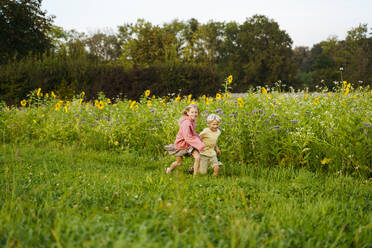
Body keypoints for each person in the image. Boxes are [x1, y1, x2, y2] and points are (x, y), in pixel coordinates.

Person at [164, 104, 205, 176]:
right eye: (192, 112)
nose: (194, 114)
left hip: (188, 144)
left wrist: (199, 138)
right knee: (179, 163)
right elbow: (188, 137)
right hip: (181, 145)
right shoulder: (186, 123)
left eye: (196, 112)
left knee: (198, 157)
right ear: (187, 112)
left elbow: (192, 133)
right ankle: (169, 170)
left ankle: (194, 175)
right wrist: (199, 145)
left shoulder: (192, 121)